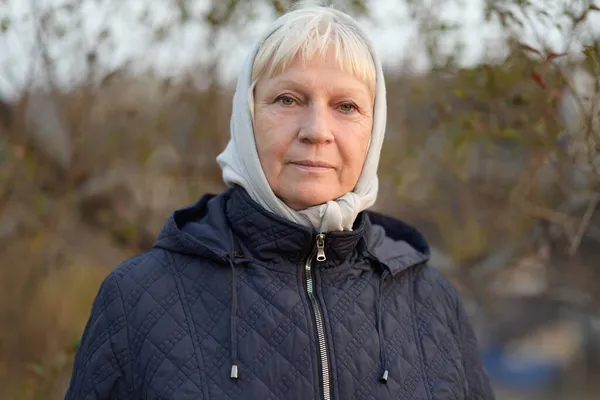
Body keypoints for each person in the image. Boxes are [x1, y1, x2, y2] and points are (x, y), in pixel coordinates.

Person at [65, 3, 495, 400]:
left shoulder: (433, 304)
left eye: (346, 106)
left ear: (374, 129)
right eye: (288, 100)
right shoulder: (138, 297)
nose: (317, 130)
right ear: (246, 115)